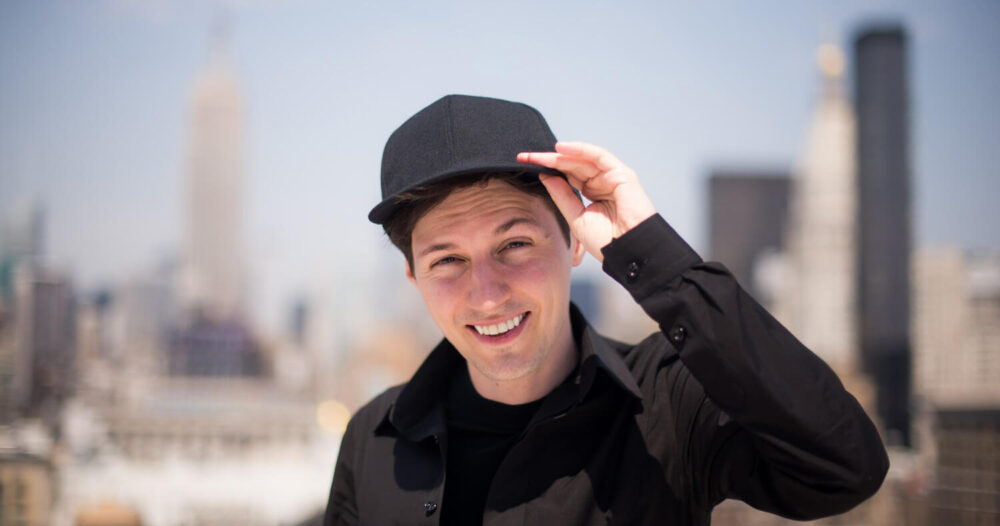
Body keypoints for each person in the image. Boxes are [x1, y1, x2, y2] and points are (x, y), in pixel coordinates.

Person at [324, 94, 888, 525]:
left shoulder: (668, 402)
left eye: (514, 245)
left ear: (575, 241)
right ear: (413, 277)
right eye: (447, 260)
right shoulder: (374, 436)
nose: (487, 294)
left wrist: (651, 253)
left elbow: (845, 467)